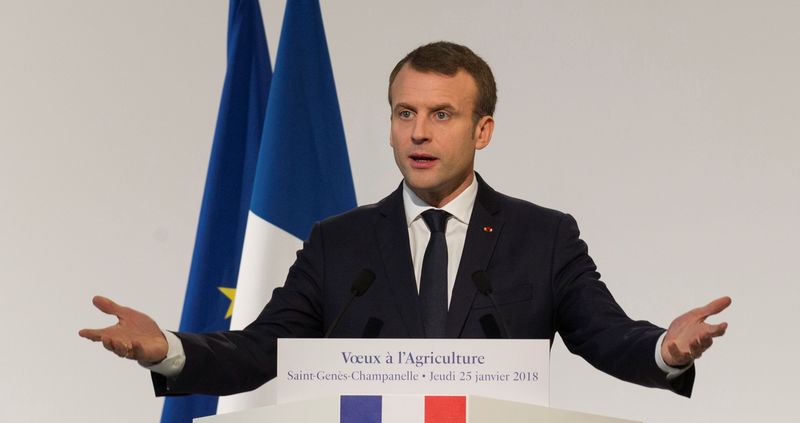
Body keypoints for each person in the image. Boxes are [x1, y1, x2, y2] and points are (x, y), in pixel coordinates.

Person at [79, 42, 730, 398]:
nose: (418, 132)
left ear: (483, 129)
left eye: (441, 114)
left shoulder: (544, 238)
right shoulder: (340, 245)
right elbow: (259, 350)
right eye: (404, 113)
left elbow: (607, 335)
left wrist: (662, 350)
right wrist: (169, 346)